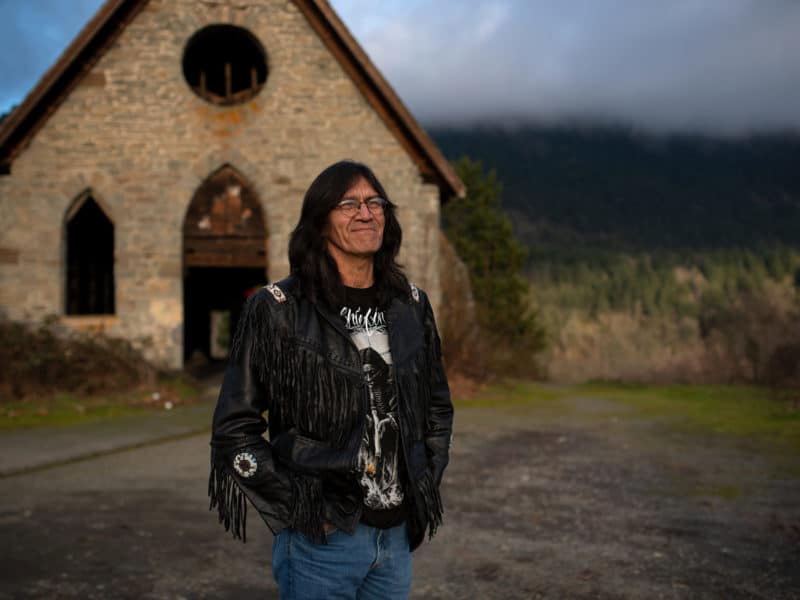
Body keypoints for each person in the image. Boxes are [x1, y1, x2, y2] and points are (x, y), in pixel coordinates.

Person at [208, 160, 453, 599]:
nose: (366, 212)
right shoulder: (278, 310)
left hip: (395, 539)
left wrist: (423, 480)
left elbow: (437, 409)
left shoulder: (411, 305)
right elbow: (233, 431)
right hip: (321, 543)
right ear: (319, 223)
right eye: (348, 204)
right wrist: (300, 509)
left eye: (374, 201)